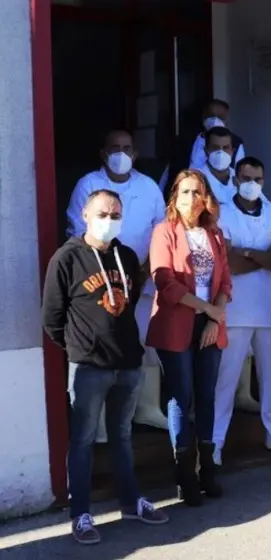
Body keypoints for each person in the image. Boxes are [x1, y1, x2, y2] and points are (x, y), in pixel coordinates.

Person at [43, 190, 169, 545]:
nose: (109, 220)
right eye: (102, 213)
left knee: (123, 436)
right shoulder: (66, 259)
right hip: (89, 367)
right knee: (82, 440)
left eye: (115, 214)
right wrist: (79, 349)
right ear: (85, 214)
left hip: (128, 363)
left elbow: (129, 301)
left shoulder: (126, 256)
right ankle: (81, 513)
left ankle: (131, 502)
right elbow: (52, 317)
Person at [65, 129, 168, 432]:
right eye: (114, 148)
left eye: (126, 148)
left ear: (135, 154)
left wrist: (146, 269)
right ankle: (97, 423)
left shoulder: (148, 187)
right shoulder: (88, 184)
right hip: (102, 280)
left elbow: (161, 232)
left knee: (147, 343)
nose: (120, 154)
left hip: (143, 279)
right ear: (103, 153)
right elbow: (75, 230)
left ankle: (147, 409)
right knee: (105, 344)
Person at [212, 157, 271, 463]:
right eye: (245, 177)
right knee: (224, 381)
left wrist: (246, 253)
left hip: (269, 310)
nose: (251, 184)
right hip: (234, 310)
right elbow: (228, 264)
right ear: (235, 179)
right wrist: (262, 256)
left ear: (263, 182)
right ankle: (213, 441)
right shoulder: (222, 214)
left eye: (256, 178)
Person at [147, 170, 232, 506]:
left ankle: (208, 467)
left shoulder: (214, 234)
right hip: (178, 323)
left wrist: (215, 316)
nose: (192, 199)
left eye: (198, 192)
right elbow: (166, 284)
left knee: (207, 394)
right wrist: (208, 310)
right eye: (185, 192)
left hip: (210, 324)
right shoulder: (164, 232)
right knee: (181, 396)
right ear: (174, 197)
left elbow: (225, 282)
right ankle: (184, 473)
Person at [189, 98, 246, 170]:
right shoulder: (188, 141)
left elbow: (240, 170)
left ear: (227, 119)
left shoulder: (236, 142)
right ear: (203, 116)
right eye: (211, 115)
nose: (215, 120)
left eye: (220, 117)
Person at [199, 126, 237, 205]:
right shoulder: (196, 178)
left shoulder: (240, 178)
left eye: (225, 148)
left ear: (232, 151)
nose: (221, 153)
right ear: (206, 151)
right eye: (215, 148)